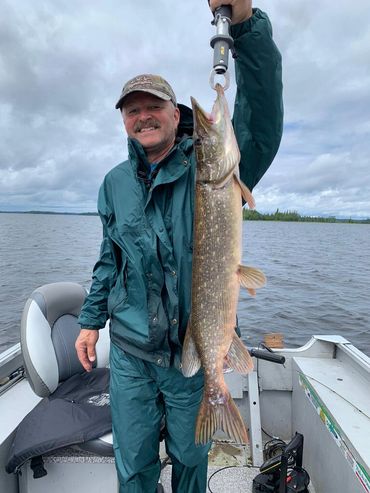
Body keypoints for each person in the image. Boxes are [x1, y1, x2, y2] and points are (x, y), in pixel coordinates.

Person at [75, 1, 283, 491]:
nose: (143, 116)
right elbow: (111, 257)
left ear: (175, 113)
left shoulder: (214, 171)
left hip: (191, 348)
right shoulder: (113, 184)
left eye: (153, 107)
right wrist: (89, 320)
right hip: (130, 352)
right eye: (133, 110)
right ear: (125, 120)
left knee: (192, 458)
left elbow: (265, 112)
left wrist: (247, 26)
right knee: (135, 462)